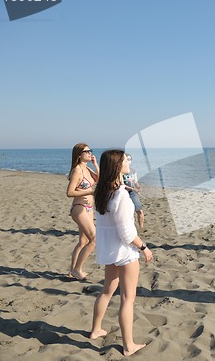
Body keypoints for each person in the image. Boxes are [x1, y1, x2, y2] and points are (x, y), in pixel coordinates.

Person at [89, 149, 153, 357]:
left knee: (107, 290)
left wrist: (124, 187)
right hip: (124, 252)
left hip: (109, 249)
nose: (128, 162)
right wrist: (144, 247)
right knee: (127, 298)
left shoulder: (103, 191)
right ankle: (128, 346)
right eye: (125, 159)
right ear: (118, 166)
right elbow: (127, 234)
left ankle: (96, 330)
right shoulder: (121, 196)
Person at [66, 143, 99, 280]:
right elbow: (69, 192)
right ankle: (77, 270)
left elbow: (99, 179)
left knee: (83, 241)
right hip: (79, 207)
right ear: (79, 155)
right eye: (87, 151)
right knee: (95, 238)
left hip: (89, 208)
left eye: (91, 150)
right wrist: (89, 191)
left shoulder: (87, 168)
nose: (90, 153)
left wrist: (95, 164)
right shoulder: (77, 170)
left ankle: (72, 270)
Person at [123, 153, 144, 229]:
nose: (128, 161)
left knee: (139, 210)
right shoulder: (121, 171)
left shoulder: (133, 170)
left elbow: (135, 181)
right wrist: (133, 189)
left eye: (129, 159)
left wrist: (138, 187)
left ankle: (141, 227)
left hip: (132, 192)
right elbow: (122, 185)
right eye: (126, 159)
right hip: (124, 193)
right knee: (127, 212)